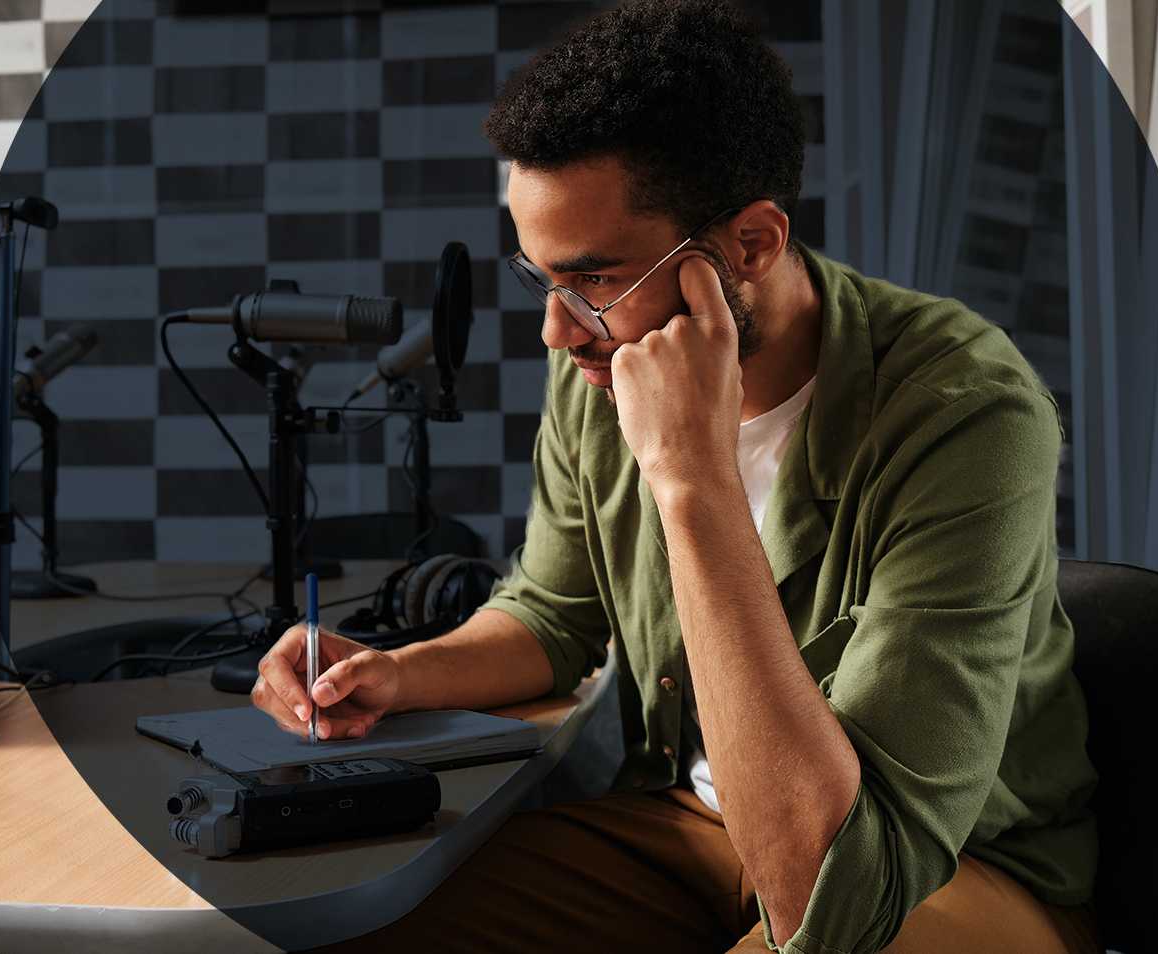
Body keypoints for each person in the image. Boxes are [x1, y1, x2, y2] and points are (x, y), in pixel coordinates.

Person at [252, 2, 1101, 951]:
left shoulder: (966, 411)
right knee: (363, 932)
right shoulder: (599, 359)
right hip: (691, 829)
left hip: (942, 870)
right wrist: (391, 675)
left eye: (596, 280)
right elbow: (552, 615)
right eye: (541, 282)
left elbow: (840, 885)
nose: (558, 329)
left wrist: (692, 476)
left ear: (751, 246)